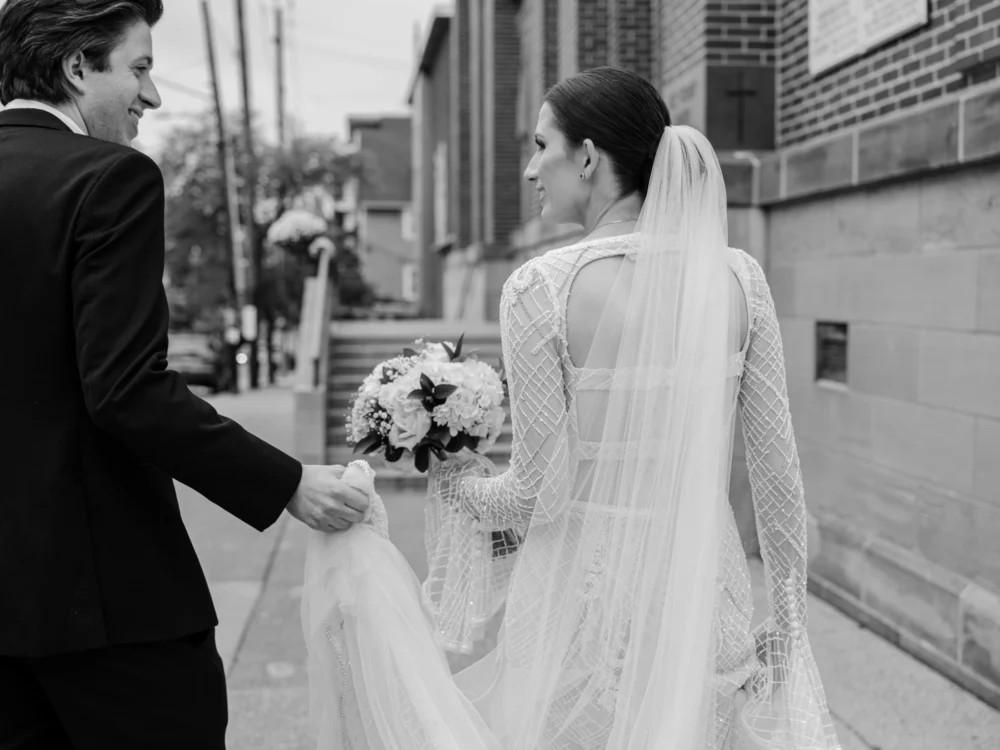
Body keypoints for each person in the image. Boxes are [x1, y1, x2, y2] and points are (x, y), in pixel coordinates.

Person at [301, 67, 842, 749]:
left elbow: (536, 492)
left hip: (578, 606)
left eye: (539, 145)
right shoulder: (739, 277)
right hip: (706, 590)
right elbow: (776, 471)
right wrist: (789, 616)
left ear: (586, 157)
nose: (531, 168)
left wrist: (457, 482)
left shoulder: (540, 288)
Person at [0, 2, 368, 748]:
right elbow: (125, 388)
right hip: (107, 607)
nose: (153, 95)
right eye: (138, 68)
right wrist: (288, 481)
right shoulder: (109, 178)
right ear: (78, 67)